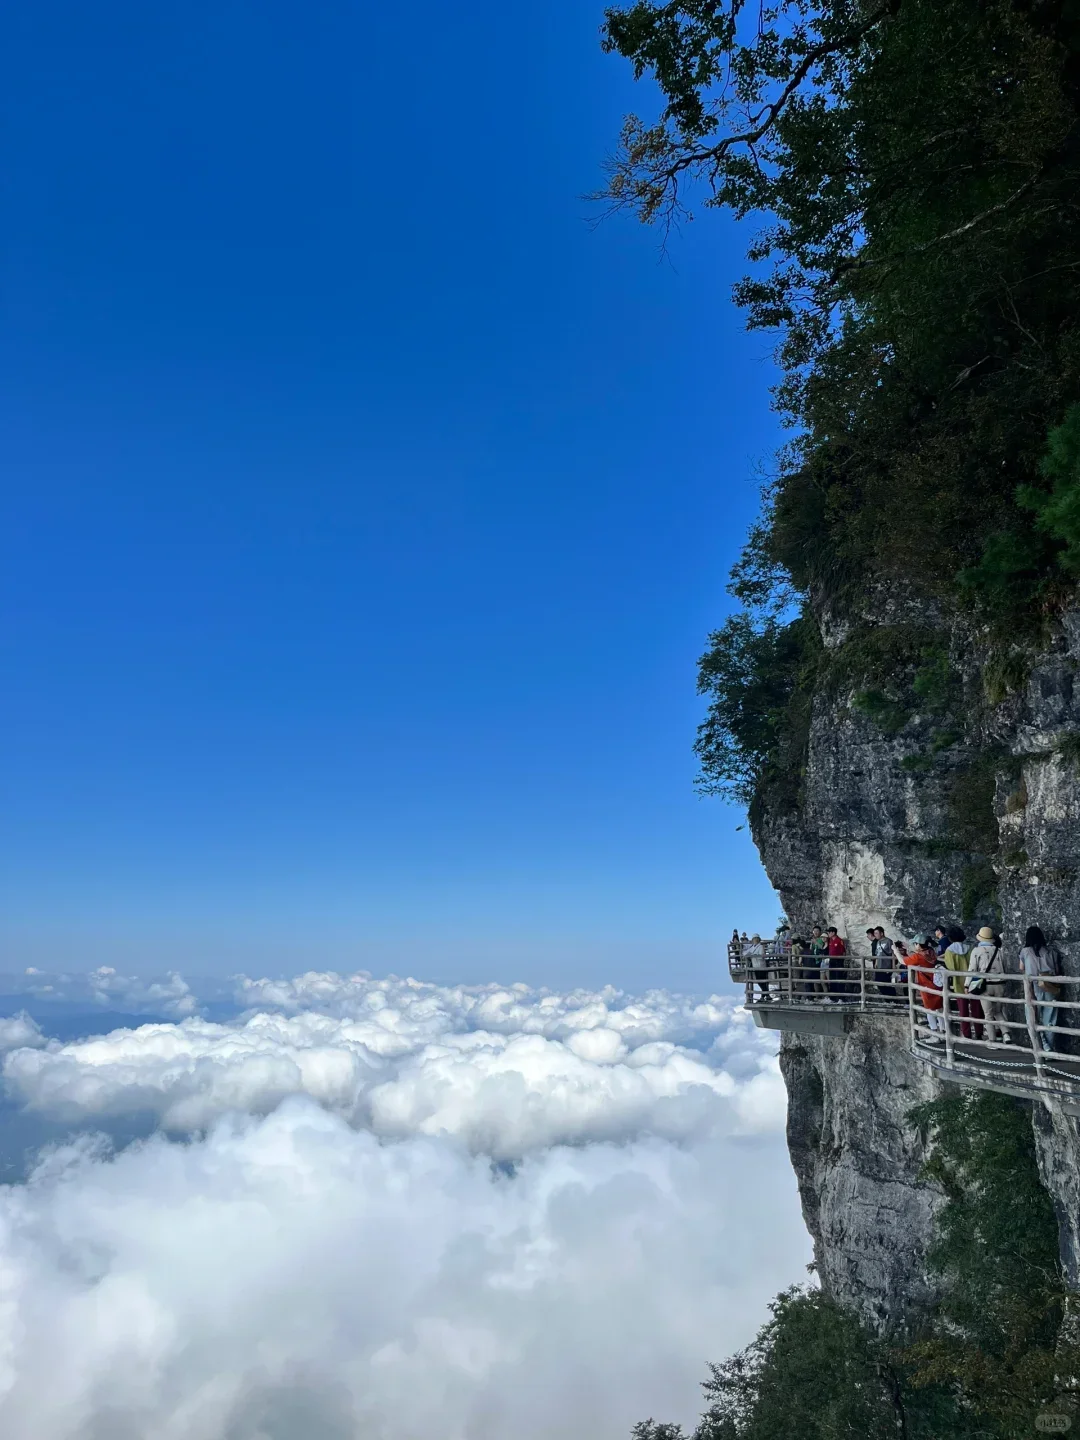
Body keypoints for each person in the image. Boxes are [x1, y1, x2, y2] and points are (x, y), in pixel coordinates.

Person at [1020, 925, 1059, 1052]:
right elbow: (1056, 969)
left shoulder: (1025, 951)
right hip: (1049, 985)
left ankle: (1042, 1045)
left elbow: (1021, 967)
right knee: (1050, 1018)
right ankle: (1049, 1047)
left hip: (1033, 986)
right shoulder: (1051, 951)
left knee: (1032, 1017)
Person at [968, 925, 1008, 1044]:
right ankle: (1006, 1034)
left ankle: (992, 1040)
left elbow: (972, 969)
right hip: (1000, 984)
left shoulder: (977, 951)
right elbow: (1004, 967)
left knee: (988, 1014)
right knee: (998, 1011)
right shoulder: (998, 951)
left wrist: (967, 985)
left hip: (985, 985)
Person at [943, 926, 974, 1037]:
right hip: (972, 981)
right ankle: (979, 1032)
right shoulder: (969, 948)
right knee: (976, 1007)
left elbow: (950, 967)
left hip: (958, 982)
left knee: (963, 1010)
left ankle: (966, 1034)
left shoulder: (949, 950)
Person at [910, 934, 944, 1035]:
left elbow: (903, 961)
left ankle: (934, 1034)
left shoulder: (918, 956)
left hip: (927, 984)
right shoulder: (931, 951)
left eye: (915, 944)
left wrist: (896, 951)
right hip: (937, 983)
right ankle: (943, 1031)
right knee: (939, 1009)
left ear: (919, 945)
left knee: (929, 1010)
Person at [745, 933, 769, 1004]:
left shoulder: (760, 947)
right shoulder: (752, 947)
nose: (755, 940)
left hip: (761, 966)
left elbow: (762, 955)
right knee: (759, 981)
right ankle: (766, 995)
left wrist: (754, 955)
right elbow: (745, 952)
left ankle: (765, 995)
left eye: (756, 939)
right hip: (755, 966)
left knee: (762, 981)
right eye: (754, 939)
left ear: (758, 940)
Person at [872, 925, 894, 998]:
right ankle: (887, 999)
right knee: (878, 982)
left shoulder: (888, 941)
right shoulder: (878, 942)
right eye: (874, 933)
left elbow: (893, 954)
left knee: (887, 984)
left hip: (886, 966)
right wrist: (875, 963)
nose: (875, 935)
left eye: (876, 933)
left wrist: (893, 967)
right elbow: (877, 953)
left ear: (882, 933)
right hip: (879, 966)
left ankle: (893, 999)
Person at [826, 926, 848, 998]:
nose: (828, 933)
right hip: (831, 960)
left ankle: (840, 997)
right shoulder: (830, 940)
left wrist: (842, 961)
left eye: (829, 932)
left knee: (839, 978)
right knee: (832, 978)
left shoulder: (839, 940)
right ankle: (832, 997)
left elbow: (843, 952)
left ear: (833, 932)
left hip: (838, 960)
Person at [808, 925, 829, 998]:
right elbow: (811, 949)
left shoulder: (821, 939)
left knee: (823, 980)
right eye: (814, 931)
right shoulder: (813, 939)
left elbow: (822, 948)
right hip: (815, 961)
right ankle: (818, 996)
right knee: (816, 980)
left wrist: (816, 942)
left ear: (820, 932)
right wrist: (812, 943)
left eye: (817, 931)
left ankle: (825, 996)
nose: (816, 932)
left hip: (821, 961)